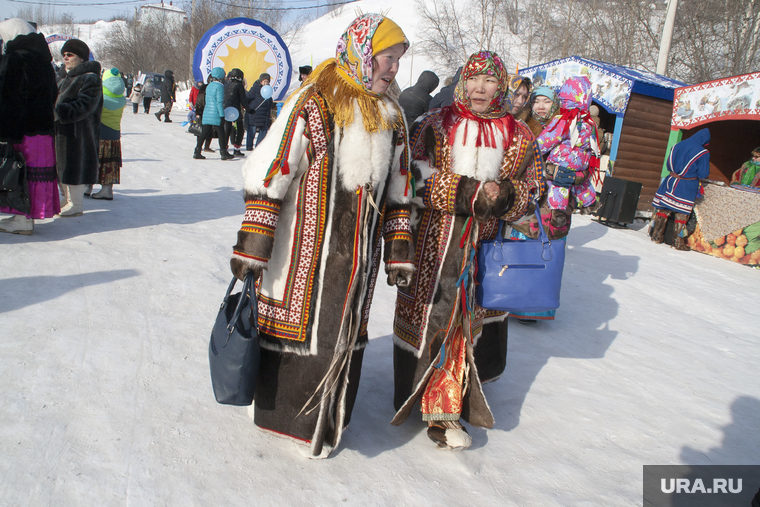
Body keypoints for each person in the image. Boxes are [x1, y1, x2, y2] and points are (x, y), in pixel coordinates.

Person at [229, 13, 414, 458]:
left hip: (358, 262)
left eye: (396, 61)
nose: (392, 69)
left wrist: (399, 249)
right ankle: (287, 418)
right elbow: (273, 170)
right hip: (301, 255)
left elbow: (400, 191)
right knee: (300, 330)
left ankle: (330, 420)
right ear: (363, 54)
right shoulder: (313, 103)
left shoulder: (392, 117)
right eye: (387, 58)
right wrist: (255, 242)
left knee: (344, 331)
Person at [391, 51, 545, 450]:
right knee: (435, 323)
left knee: (466, 329)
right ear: (462, 81)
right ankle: (430, 403)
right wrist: (467, 193)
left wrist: (507, 194)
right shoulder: (434, 125)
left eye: (490, 81)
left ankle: (447, 410)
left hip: (486, 251)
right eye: (474, 79)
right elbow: (410, 176)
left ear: (502, 86)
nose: (480, 88)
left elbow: (536, 188)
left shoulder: (520, 136)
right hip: (433, 249)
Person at [0, 19, 60, 235]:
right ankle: (26, 218)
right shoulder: (45, 62)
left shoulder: (16, 59)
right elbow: (53, 95)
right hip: (42, 131)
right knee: (35, 173)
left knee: (18, 172)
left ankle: (21, 218)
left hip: (22, 130)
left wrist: (6, 132)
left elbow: (9, 99)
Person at [536, 76, 600, 230]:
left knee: (561, 185)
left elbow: (549, 138)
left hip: (562, 163)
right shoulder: (588, 122)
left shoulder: (566, 119)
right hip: (580, 164)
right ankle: (589, 202)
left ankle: (558, 212)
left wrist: (535, 148)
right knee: (582, 184)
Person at [54, 38, 103, 217]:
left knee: (75, 167)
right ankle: (66, 200)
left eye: (70, 54)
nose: (66, 58)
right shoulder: (64, 77)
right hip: (62, 131)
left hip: (80, 133)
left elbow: (85, 105)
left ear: (82, 57)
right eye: (64, 55)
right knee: (62, 167)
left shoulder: (90, 78)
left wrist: (59, 112)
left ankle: (77, 204)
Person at [651, 128, 711, 250]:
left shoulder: (677, 145)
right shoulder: (703, 152)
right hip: (686, 185)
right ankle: (678, 242)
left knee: (664, 209)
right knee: (682, 215)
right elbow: (703, 173)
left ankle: (656, 236)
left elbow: (668, 164)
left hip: (670, 180)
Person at [91, 68, 125, 200]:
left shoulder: (101, 98)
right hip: (115, 134)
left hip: (99, 133)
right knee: (110, 163)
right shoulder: (121, 99)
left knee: (96, 161)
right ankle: (107, 189)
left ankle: (88, 186)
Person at [193, 67, 232, 160]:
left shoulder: (209, 85)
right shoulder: (220, 86)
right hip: (216, 113)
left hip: (207, 112)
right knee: (221, 133)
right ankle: (223, 152)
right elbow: (219, 102)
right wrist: (222, 115)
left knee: (204, 133)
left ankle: (197, 151)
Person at [222, 68, 249, 157]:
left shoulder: (226, 85)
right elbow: (243, 100)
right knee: (240, 129)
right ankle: (237, 148)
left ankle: (224, 147)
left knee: (228, 128)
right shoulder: (239, 86)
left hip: (227, 109)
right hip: (236, 109)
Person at [244, 73, 272, 151]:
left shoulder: (269, 90)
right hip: (255, 113)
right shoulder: (255, 89)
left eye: (267, 81)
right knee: (252, 129)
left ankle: (258, 146)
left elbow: (269, 101)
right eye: (264, 81)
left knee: (264, 129)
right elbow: (247, 97)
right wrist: (249, 108)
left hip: (264, 115)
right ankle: (249, 146)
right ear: (260, 81)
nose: (266, 83)